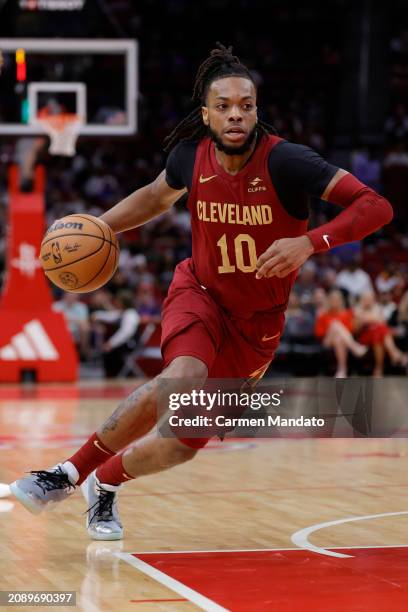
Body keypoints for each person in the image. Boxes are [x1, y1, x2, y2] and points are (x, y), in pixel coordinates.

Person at [10, 44, 393, 540]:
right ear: (206, 113)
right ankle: (65, 474)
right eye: (225, 105)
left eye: (247, 105)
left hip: (257, 326)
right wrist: (96, 228)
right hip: (201, 293)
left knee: (182, 442)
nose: (237, 114)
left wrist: (310, 242)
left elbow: (375, 205)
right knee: (183, 374)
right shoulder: (190, 157)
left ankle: (103, 484)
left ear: (256, 110)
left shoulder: (288, 163)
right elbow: (153, 197)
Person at [353, 291, 408, 377]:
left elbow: (383, 323)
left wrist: (369, 318)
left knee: (378, 333)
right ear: (362, 299)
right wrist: (373, 319)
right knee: (379, 330)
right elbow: (356, 329)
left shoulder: (377, 308)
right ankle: (393, 354)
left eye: (370, 298)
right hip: (363, 338)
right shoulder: (358, 309)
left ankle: (379, 368)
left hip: (377, 336)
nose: (368, 300)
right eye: (366, 298)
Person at [315, 289, 367, 377]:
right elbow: (318, 334)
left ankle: (342, 370)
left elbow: (352, 330)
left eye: (336, 299)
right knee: (335, 324)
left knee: (338, 339)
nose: (334, 302)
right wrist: (333, 330)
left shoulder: (348, 313)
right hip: (327, 342)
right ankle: (355, 347)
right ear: (328, 301)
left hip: (342, 341)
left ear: (341, 301)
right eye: (332, 299)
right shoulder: (323, 315)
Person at [91, 290, 140, 377]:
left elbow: (125, 333)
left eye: (118, 300)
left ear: (124, 302)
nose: (116, 302)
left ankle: (113, 375)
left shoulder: (131, 314)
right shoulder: (122, 312)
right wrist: (96, 315)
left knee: (108, 352)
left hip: (130, 344)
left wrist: (111, 344)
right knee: (106, 349)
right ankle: (111, 375)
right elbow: (109, 316)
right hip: (124, 343)